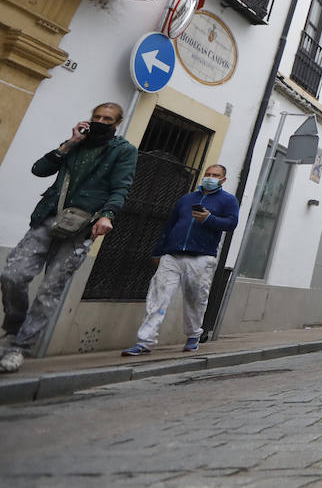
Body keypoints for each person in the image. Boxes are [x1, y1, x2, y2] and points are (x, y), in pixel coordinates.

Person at [1, 102, 137, 373]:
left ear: (117, 123)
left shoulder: (123, 151)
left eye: (107, 119)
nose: (100, 121)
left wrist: (107, 215)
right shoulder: (76, 143)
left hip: (82, 226)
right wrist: (70, 143)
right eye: (96, 116)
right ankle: (14, 327)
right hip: (49, 216)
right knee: (12, 274)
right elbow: (39, 170)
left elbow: (121, 186)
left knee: (50, 289)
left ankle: (19, 348)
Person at [121, 164, 239, 356]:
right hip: (172, 255)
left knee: (195, 299)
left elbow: (231, 223)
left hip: (201, 257)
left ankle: (193, 335)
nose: (210, 177)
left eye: (215, 175)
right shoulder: (186, 199)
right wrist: (158, 252)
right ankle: (144, 342)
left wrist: (209, 219)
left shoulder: (228, 200)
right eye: (208, 174)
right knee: (157, 297)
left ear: (223, 180)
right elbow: (169, 225)